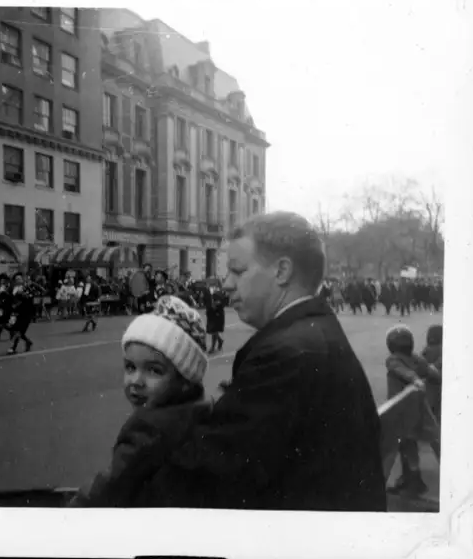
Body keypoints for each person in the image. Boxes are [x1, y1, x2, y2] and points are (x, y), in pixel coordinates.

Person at [138, 211, 387, 510]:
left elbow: (207, 474)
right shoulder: (312, 331)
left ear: (282, 271)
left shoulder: (285, 354)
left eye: (238, 270)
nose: (227, 283)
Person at [69, 296, 213, 507]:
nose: (136, 381)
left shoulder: (148, 429)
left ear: (185, 379)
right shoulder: (200, 407)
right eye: (130, 367)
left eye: (154, 371)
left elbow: (107, 489)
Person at [384, 325, 441, 496]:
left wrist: (415, 379)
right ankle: (410, 479)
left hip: (402, 411)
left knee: (407, 446)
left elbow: (401, 371)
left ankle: (413, 481)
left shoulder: (392, 359)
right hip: (419, 408)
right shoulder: (416, 358)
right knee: (430, 439)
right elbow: (433, 374)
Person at [5, 274, 36, 355]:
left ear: (22, 279)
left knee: (18, 331)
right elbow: (11, 299)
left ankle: (13, 347)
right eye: (16, 279)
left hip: (26, 313)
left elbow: (29, 298)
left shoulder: (26, 288)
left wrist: (23, 294)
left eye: (19, 279)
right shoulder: (13, 289)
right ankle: (28, 342)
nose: (18, 280)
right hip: (17, 312)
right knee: (19, 331)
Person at [204, 282, 227, 353]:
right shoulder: (207, 291)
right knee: (212, 330)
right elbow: (205, 300)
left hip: (218, 312)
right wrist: (208, 306)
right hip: (210, 312)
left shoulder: (221, 292)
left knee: (214, 329)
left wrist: (217, 303)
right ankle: (220, 341)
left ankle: (212, 347)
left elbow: (224, 301)